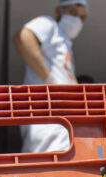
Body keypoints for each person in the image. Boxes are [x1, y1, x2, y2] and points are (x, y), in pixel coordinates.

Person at [12, 0, 88, 153]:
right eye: (73, 12)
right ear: (59, 10)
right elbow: (23, 38)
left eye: (82, 17)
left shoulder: (66, 45)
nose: (78, 20)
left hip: (62, 131)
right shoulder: (49, 25)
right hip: (48, 129)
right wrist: (49, 79)